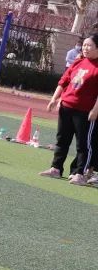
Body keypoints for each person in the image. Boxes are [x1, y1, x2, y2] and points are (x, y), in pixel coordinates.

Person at [39, 33, 98, 186]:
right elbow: (64, 81)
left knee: (83, 144)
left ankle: (79, 173)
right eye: (84, 45)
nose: (85, 48)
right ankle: (56, 168)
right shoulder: (78, 62)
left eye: (89, 45)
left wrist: (95, 109)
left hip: (85, 111)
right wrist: (54, 99)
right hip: (66, 106)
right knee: (62, 140)